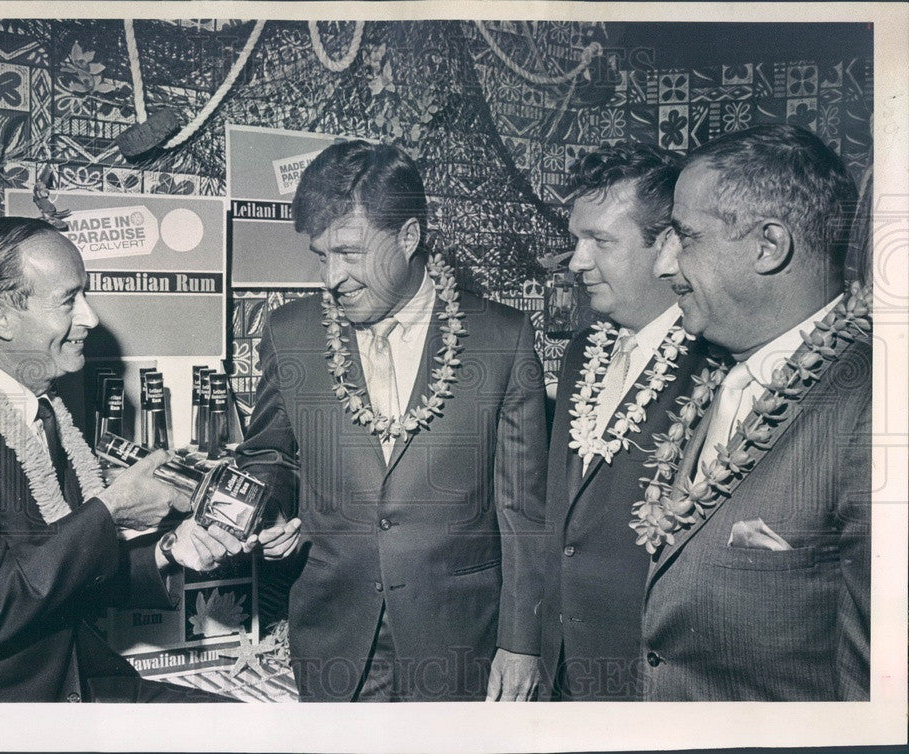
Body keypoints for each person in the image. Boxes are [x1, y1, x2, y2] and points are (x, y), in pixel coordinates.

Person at [238, 140, 547, 702]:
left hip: (459, 641)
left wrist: (522, 642)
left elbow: (523, 510)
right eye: (321, 255)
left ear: (409, 237)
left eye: (350, 253)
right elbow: (270, 455)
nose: (332, 277)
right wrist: (273, 506)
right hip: (335, 638)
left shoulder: (503, 339)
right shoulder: (292, 334)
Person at [0, 217, 246, 702]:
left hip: (88, 679)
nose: (92, 318)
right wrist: (111, 509)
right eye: (68, 300)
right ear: (0, 318)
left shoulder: (45, 409)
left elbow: (64, 572)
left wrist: (167, 552)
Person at [647, 124, 870, 700]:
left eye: (685, 237)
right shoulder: (712, 368)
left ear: (769, 247)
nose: (663, 266)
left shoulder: (874, 405)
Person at [539, 144, 710, 700]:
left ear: (664, 246)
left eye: (601, 242)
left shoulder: (712, 365)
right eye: (576, 239)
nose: (577, 261)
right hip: (560, 666)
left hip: (649, 678)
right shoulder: (581, 350)